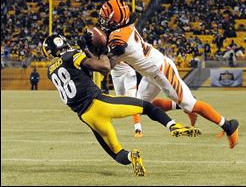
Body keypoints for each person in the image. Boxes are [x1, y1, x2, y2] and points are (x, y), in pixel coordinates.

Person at [85, 0, 239, 149]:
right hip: (150, 73)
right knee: (145, 107)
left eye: (106, 18)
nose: (103, 21)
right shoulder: (123, 27)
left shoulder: (118, 39)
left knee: (191, 104)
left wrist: (91, 50)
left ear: (116, 21)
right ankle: (183, 107)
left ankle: (229, 125)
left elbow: (106, 67)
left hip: (161, 70)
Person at [42, 34, 201, 176]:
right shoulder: (71, 55)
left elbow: (80, 71)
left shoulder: (51, 70)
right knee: (147, 107)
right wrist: (103, 50)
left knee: (116, 153)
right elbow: (103, 67)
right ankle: (173, 126)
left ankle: (132, 156)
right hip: (101, 103)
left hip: (88, 117)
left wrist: (87, 50)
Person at [111, 62, 144, 138]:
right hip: (115, 75)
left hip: (128, 72)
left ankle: (138, 129)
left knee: (132, 101)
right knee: (119, 101)